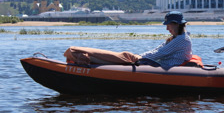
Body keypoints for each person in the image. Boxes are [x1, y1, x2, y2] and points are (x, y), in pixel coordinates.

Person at [64, 11, 193, 70]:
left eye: (168, 25)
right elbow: (157, 50)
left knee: (125, 56)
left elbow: (160, 54)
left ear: (176, 24)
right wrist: (140, 56)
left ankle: (77, 53)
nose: (167, 29)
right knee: (125, 56)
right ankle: (81, 55)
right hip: (152, 62)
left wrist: (137, 58)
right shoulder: (177, 38)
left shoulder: (182, 40)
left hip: (158, 65)